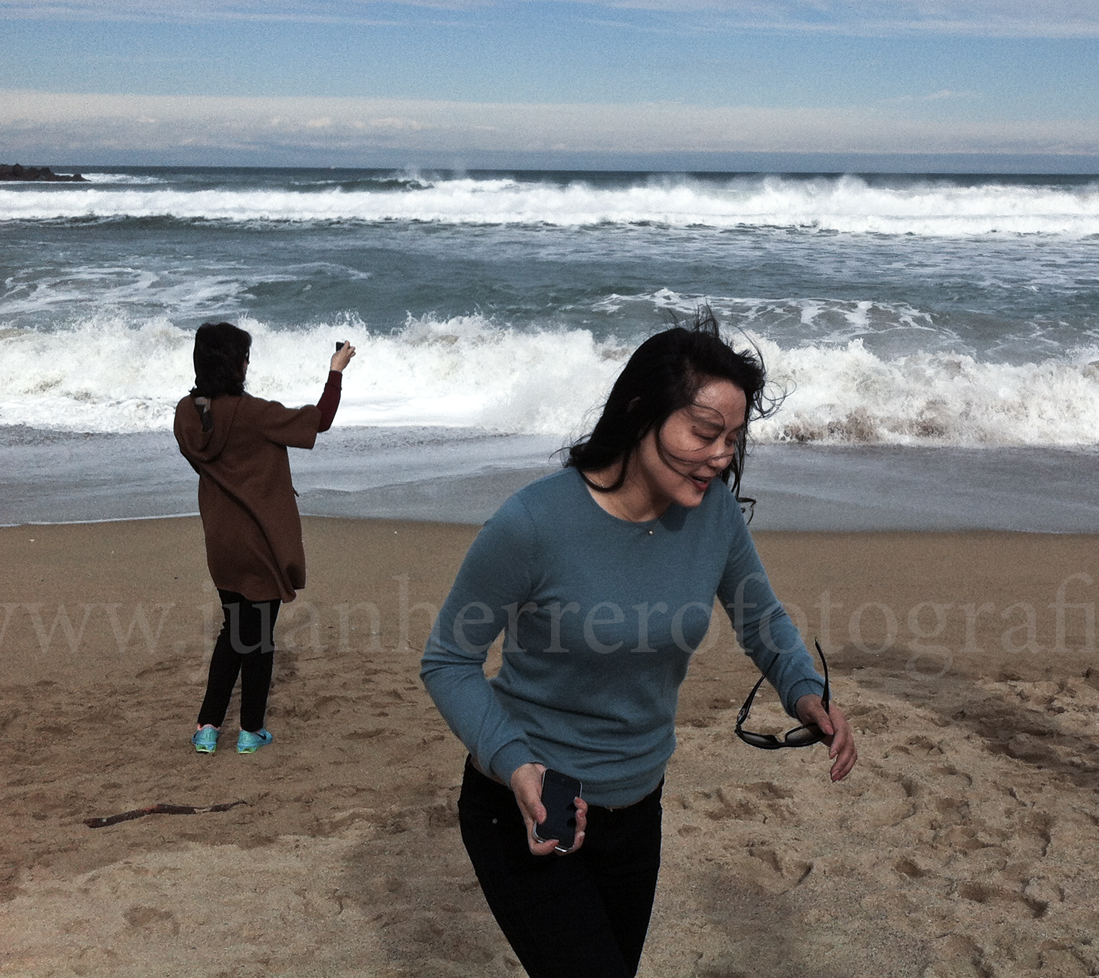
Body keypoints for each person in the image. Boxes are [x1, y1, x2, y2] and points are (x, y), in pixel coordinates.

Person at [420, 313, 856, 978]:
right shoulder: (533, 522)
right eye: (705, 432)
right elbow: (448, 659)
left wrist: (805, 692)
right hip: (533, 805)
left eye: (733, 439)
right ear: (638, 410)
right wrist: (516, 764)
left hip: (636, 809)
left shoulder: (712, 513)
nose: (721, 456)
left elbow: (761, 618)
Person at [175, 322, 355, 755]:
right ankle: (251, 729)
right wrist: (336, 369)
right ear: (235, 364)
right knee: (258, 639)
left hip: (220, 543)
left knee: (233, 631)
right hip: (260, 545)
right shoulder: (254, 413)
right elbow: (320, 420)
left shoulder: (186, 413)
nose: (248, 363)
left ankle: (207, 727)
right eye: (245, 356)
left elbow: (208, 453)